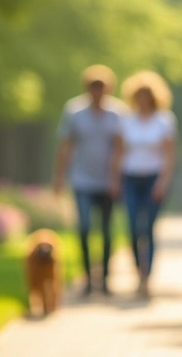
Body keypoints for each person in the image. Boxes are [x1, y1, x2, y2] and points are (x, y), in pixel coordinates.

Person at [53, 64, 127, 296]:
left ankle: (104, 280)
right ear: (87, 88)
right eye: (94, 87)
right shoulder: (74, 111)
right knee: (84, 228)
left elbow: (119, 148)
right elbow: (66, 146)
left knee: (105, 231)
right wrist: (59, 176)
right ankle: (87, 279)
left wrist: (116, 179)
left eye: (102, 87)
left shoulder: (118, 113)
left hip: (107, 181)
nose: (98, 91)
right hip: (82, 179)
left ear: (108, 89)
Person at [118, 70, 178, 297]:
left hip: (154, 178)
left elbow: (169, 155)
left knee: (148, 228)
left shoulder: (164, 120)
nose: (143, 99)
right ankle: (137, 269)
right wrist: (115, 179)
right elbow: (119, 152)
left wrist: (163, 182)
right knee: (133, 226)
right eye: (139, 95)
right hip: (131, 177)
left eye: (147, 94)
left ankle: (147, 275)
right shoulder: (127, 120)